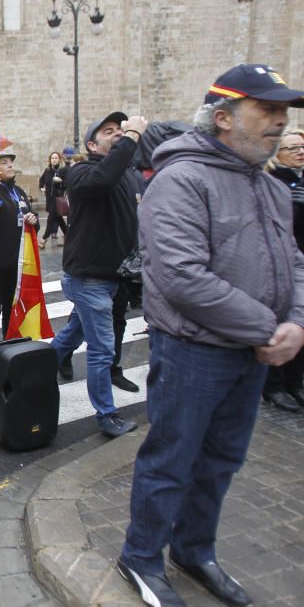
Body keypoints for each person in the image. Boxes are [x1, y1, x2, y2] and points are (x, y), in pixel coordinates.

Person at [117, 65, 304, 607]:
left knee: (222, 460)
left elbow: (292, 261)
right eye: (265, 111)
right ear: (222, 118)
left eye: (282, 112)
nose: (279, 122)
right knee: (172, 459)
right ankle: (142, 556)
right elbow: (181, 277)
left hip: (250, 353)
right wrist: (270, 328)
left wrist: (295, 321)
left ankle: (194, 549)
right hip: (194, 353)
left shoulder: (268, 186)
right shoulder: (180, 181)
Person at [49, 110, 147, 438]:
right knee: (102, 348)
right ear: (92, 144)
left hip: (110, 277)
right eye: (109, 131)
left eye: (121, 129)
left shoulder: (124, 174)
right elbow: (102, 178)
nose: (118, 133)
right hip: (88, 278)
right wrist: (132, 137)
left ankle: (36, 370)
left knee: (73, 333)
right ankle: (106, 414)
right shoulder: (82, 172)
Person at [0, 149, 38, 365]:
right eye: (4, 162)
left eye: (11, 162)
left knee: (10, 310)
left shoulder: (18, 192)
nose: (10, 165)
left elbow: (30, 219)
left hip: (17, 264)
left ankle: (7, 350)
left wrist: (33, 219)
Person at [260, 128, 304, 412]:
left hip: (300, 263)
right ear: (278, 155)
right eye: (292, 148)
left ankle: (295, 381)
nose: (300, 152)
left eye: (302, 147)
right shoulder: (273, 182)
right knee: (278, 326)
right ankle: (274, 386)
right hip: (280, 265)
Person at [38, 151, 68, 247]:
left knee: (51, 218)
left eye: (56, 158)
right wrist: (42, 187)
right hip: (49, 199)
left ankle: (44, 238)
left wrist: (61, 181)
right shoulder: (47, 170)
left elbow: (68, 182)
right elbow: (41, 180)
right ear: (50, 160)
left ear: (59, 159)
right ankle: (69, 235)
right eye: (52, 158)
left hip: (58, 198)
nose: (54, 160)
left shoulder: (62, 170)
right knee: (58, 218)